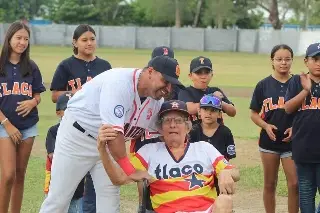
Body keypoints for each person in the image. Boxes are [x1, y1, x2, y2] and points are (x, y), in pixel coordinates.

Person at [39, 55, 184, 213]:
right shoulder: (119, 83)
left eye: (172, 84)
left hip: (108, 148)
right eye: (166, 81)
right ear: (150, 71)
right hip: (77, 137)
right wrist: (130, 170)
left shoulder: (156, 101)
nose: (168, 89)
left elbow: (165, 132)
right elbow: (113, 134)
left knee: (109, 203)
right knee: (58, 201)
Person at [98, 100, 240, 213]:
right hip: (169, 210)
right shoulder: (148, 152)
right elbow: (118, 178)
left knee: (225, 201)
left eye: (178, 121)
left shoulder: (204, 148)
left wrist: (227, 171)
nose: (173, 125)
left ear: (188, 126)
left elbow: (235, 172)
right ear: (159, 128)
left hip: (206, 210)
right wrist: (102, 150)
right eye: (167, 121)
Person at [50, 24, 112, 213]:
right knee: (69, 186)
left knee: (100, 187)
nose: (89, 43)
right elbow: (54, 95)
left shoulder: (104, 66)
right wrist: (75, 93)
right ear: (75, 42)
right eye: (84, 40)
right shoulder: (66, 65)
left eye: (92, 39)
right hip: (74, 130)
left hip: (98, 129)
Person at [0, 21, 46, 213]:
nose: (22, 42)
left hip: (28, 126)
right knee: (8, 174)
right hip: (4, 125)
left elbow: (37, 94)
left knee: (20, 175)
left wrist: (33, 102)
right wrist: (6, 124)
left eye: (26, 39)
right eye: (18, 38)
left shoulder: (31, 66)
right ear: (9, 38)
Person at [250, 44, 298, 213]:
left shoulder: (299, 83)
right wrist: (265, 125)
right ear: (272, 61)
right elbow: (253, 113)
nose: (283, 63)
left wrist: (295, 128)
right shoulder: (263, 85)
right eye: (279, 59)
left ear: (292, 60)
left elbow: (307, 111)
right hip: (269, 141)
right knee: (270, 184)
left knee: (294, 183)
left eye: (287, 59)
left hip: (292, 142)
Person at [284, 42, 320, 213]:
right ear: (306, 61)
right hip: (303, 148)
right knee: (306, 194)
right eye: (315, 59)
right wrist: (306, 91)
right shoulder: (297, 82)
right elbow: (288, 108)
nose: (318, 63)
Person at [44, 92, 84, 213]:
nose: (71, 112)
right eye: (67, 109)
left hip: (77, 184)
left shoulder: (83, 131)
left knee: (75, 209)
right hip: (56, 182)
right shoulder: (53, 131)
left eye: (75, 108)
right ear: (58, 113)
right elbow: (52, 155)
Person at [189, 94, 236, 195]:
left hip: (219, 175)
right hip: (198, 175)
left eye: (213, 110)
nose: (209, 113)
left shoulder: (225, 132)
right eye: (205, 109)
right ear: (199, 112)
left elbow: (227, 158)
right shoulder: (193, 131)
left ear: (219, 114)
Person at [178, 56, 236, 124]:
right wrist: (211, 98)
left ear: (211, 75)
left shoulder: (215, 90)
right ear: (190, 75)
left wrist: (219, 101)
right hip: (194, 133)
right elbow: (189, 109)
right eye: (198, 73)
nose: (203, 76)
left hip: (217, 133)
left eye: (206, 72)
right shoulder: (185, 91)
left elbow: (232, 112)